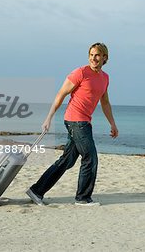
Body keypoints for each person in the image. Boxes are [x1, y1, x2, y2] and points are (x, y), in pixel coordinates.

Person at [26, 42, 118, 206]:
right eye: (91, 55)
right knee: (90, 158)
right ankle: (82, 198)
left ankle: (36, 190)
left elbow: (105, 102)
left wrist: (112, 123)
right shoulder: (80, 72)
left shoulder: (105, 78)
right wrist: (49, 118)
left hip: (84, 121)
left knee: (67, 160)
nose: (93, 58)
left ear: (105, 57)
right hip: (75, 120)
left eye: (97, 55)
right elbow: (61, 94)